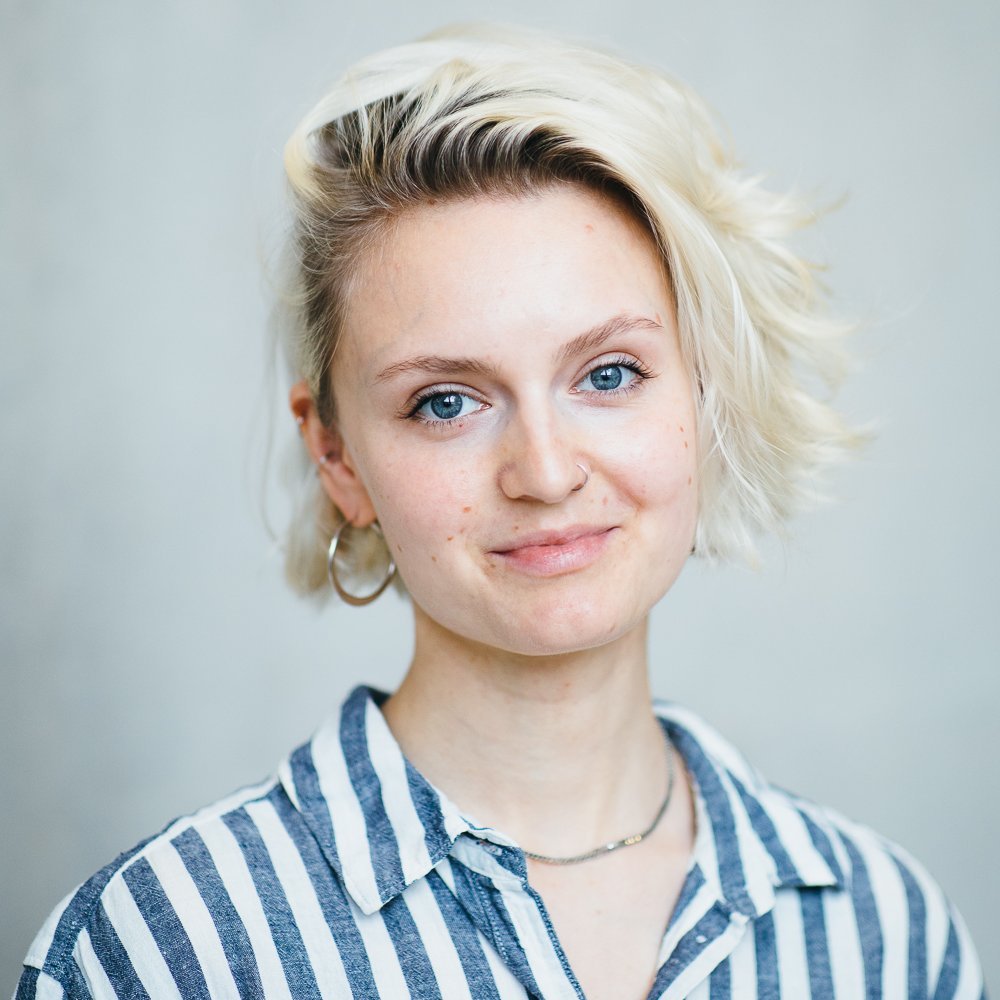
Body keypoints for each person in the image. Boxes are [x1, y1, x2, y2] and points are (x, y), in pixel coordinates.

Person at [16, 24, 985, 1000]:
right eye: (446, 401)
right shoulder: (154, 948)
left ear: (701, 396)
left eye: (608, 374)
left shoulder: (888, 934)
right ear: (337, 455)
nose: (546, 469)